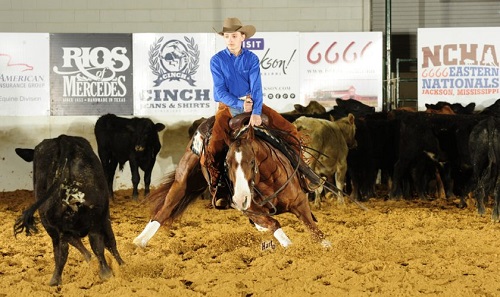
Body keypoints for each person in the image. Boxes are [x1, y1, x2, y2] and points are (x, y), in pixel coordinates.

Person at [203, 17, 310, 209]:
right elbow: (219, 92)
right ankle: (219, 188)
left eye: (234, 36)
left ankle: (304, 173)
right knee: (214, 145)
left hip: (252, 103)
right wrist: (238, 103)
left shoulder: (251, 58)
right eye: (227, 36)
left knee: (290, 130)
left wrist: (256, 111)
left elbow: (257, 87)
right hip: (226, 107)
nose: (230, 40)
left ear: (242, 37)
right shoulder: (217, 60)